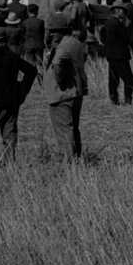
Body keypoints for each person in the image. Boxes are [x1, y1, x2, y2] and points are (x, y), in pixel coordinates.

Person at [0, 12, 41, 167]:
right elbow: (32, 70)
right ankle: (9, 163)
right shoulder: (13, 56)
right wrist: (22, 89)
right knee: (9, 133)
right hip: (13, 100)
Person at [46, 11, 89, 163]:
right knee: (73, 128)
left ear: (59, 32)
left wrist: (59, 79)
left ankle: (69, 162)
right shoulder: (76, 43)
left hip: (62, 94)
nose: (50, 35)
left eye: (52, 32)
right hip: (76, 92)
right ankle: (77, 158)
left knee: (64, 130)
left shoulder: (63, 47)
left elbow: (57, 64)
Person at [98, 2, 133, 105]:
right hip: (120, 55)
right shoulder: (118, 24)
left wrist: (107, 45)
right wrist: (127, 27)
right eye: (123, 11)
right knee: (128, 79)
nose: (125, 14)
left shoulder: (108, 22)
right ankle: (128, 101)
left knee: (113, 78)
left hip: (110, 55)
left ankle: (114, 100)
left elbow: (102, 35)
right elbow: (126, 38)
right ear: (118, 10)